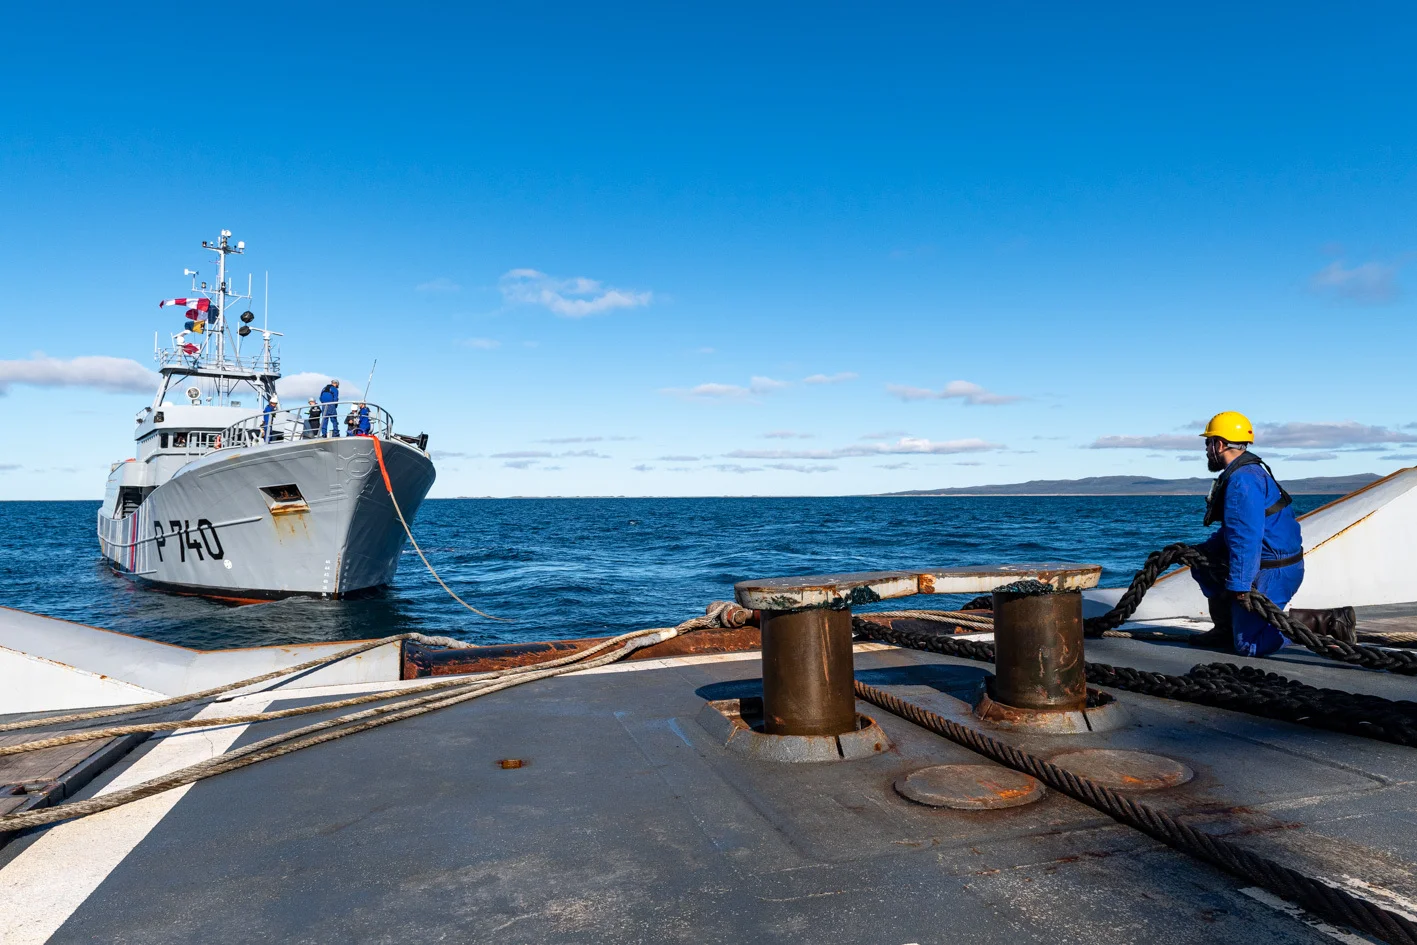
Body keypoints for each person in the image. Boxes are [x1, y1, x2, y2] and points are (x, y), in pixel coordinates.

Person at [1187, 411, 1304, 657]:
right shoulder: (1246, 473)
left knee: (1248, 646)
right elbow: (1235, 528)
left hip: (1274, 571)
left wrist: (1241, 585)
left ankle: (1316, 624)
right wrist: (1204, 550)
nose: (1206, 450)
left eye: (1207, 443)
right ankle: (1224, 628)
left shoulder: (1242, 481)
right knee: (1203, 563)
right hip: (1271, 563)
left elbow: (1246, 539)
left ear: (1219, 444)